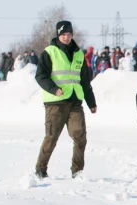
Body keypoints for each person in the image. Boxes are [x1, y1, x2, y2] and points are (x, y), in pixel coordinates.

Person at [34, 21, 97, 179]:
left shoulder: (79, 54)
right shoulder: (50, 52)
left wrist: (92, 103)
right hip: (55, 103)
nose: (66, 37)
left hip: (75, 102)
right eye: (63, 34)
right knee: (51, 137)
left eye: (69, 34)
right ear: (58, 35)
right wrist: (53, 89)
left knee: (80, 135)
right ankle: (40, 169)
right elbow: (40, 76)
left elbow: (85, 81)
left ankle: (77, 171)